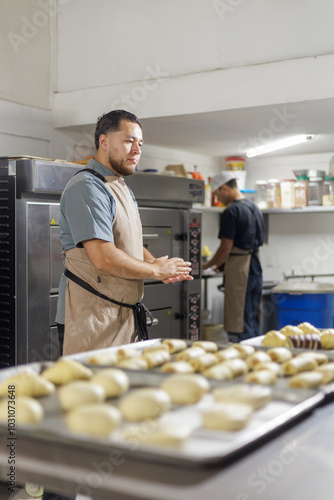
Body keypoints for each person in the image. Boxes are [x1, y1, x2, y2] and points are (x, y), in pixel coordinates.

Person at [56, 109, 192, 356]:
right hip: (91, 319)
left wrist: (154, 261)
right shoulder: (88, 186)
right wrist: (155, 270)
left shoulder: (120, 186)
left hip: (121, 313)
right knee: (92, 392)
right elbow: (103, 256)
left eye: (140, 143)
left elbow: (125, 242)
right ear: (104, 142)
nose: (137, 150)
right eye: (129, 141)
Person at [202, 171, 264, 341]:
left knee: (239, 321)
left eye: (217, 194)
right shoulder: (254, 208)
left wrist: (207, 265)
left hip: (240, 270)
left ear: (223, 188)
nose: (218, 198)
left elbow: (226, 248)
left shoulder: (231, 211)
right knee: (252, 318)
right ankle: (258, 355)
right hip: (255, 267)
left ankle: (244, 357)